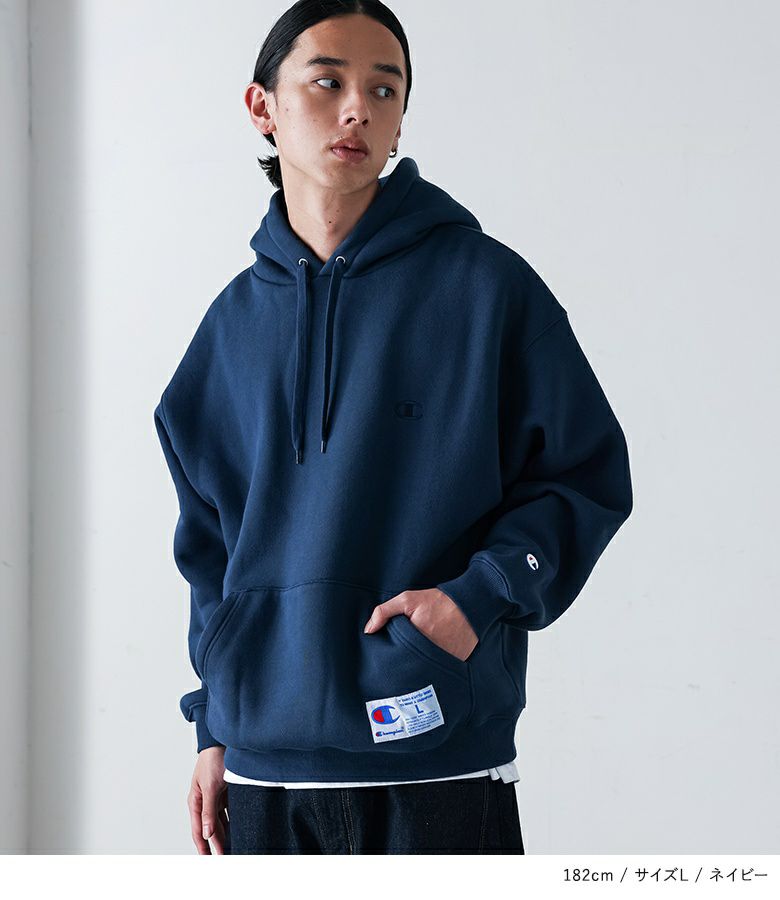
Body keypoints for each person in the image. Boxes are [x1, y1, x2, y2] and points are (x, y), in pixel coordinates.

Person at [153, 0, 633, 855]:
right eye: (327, 81)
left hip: (437, 761)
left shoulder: (487, 290)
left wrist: (478, 597)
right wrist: (212, 726)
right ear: (262, 106)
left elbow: (583, 476)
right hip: (263, 777)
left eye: (384, 89)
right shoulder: (228, 329)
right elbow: (210, 549)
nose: (358, 110)